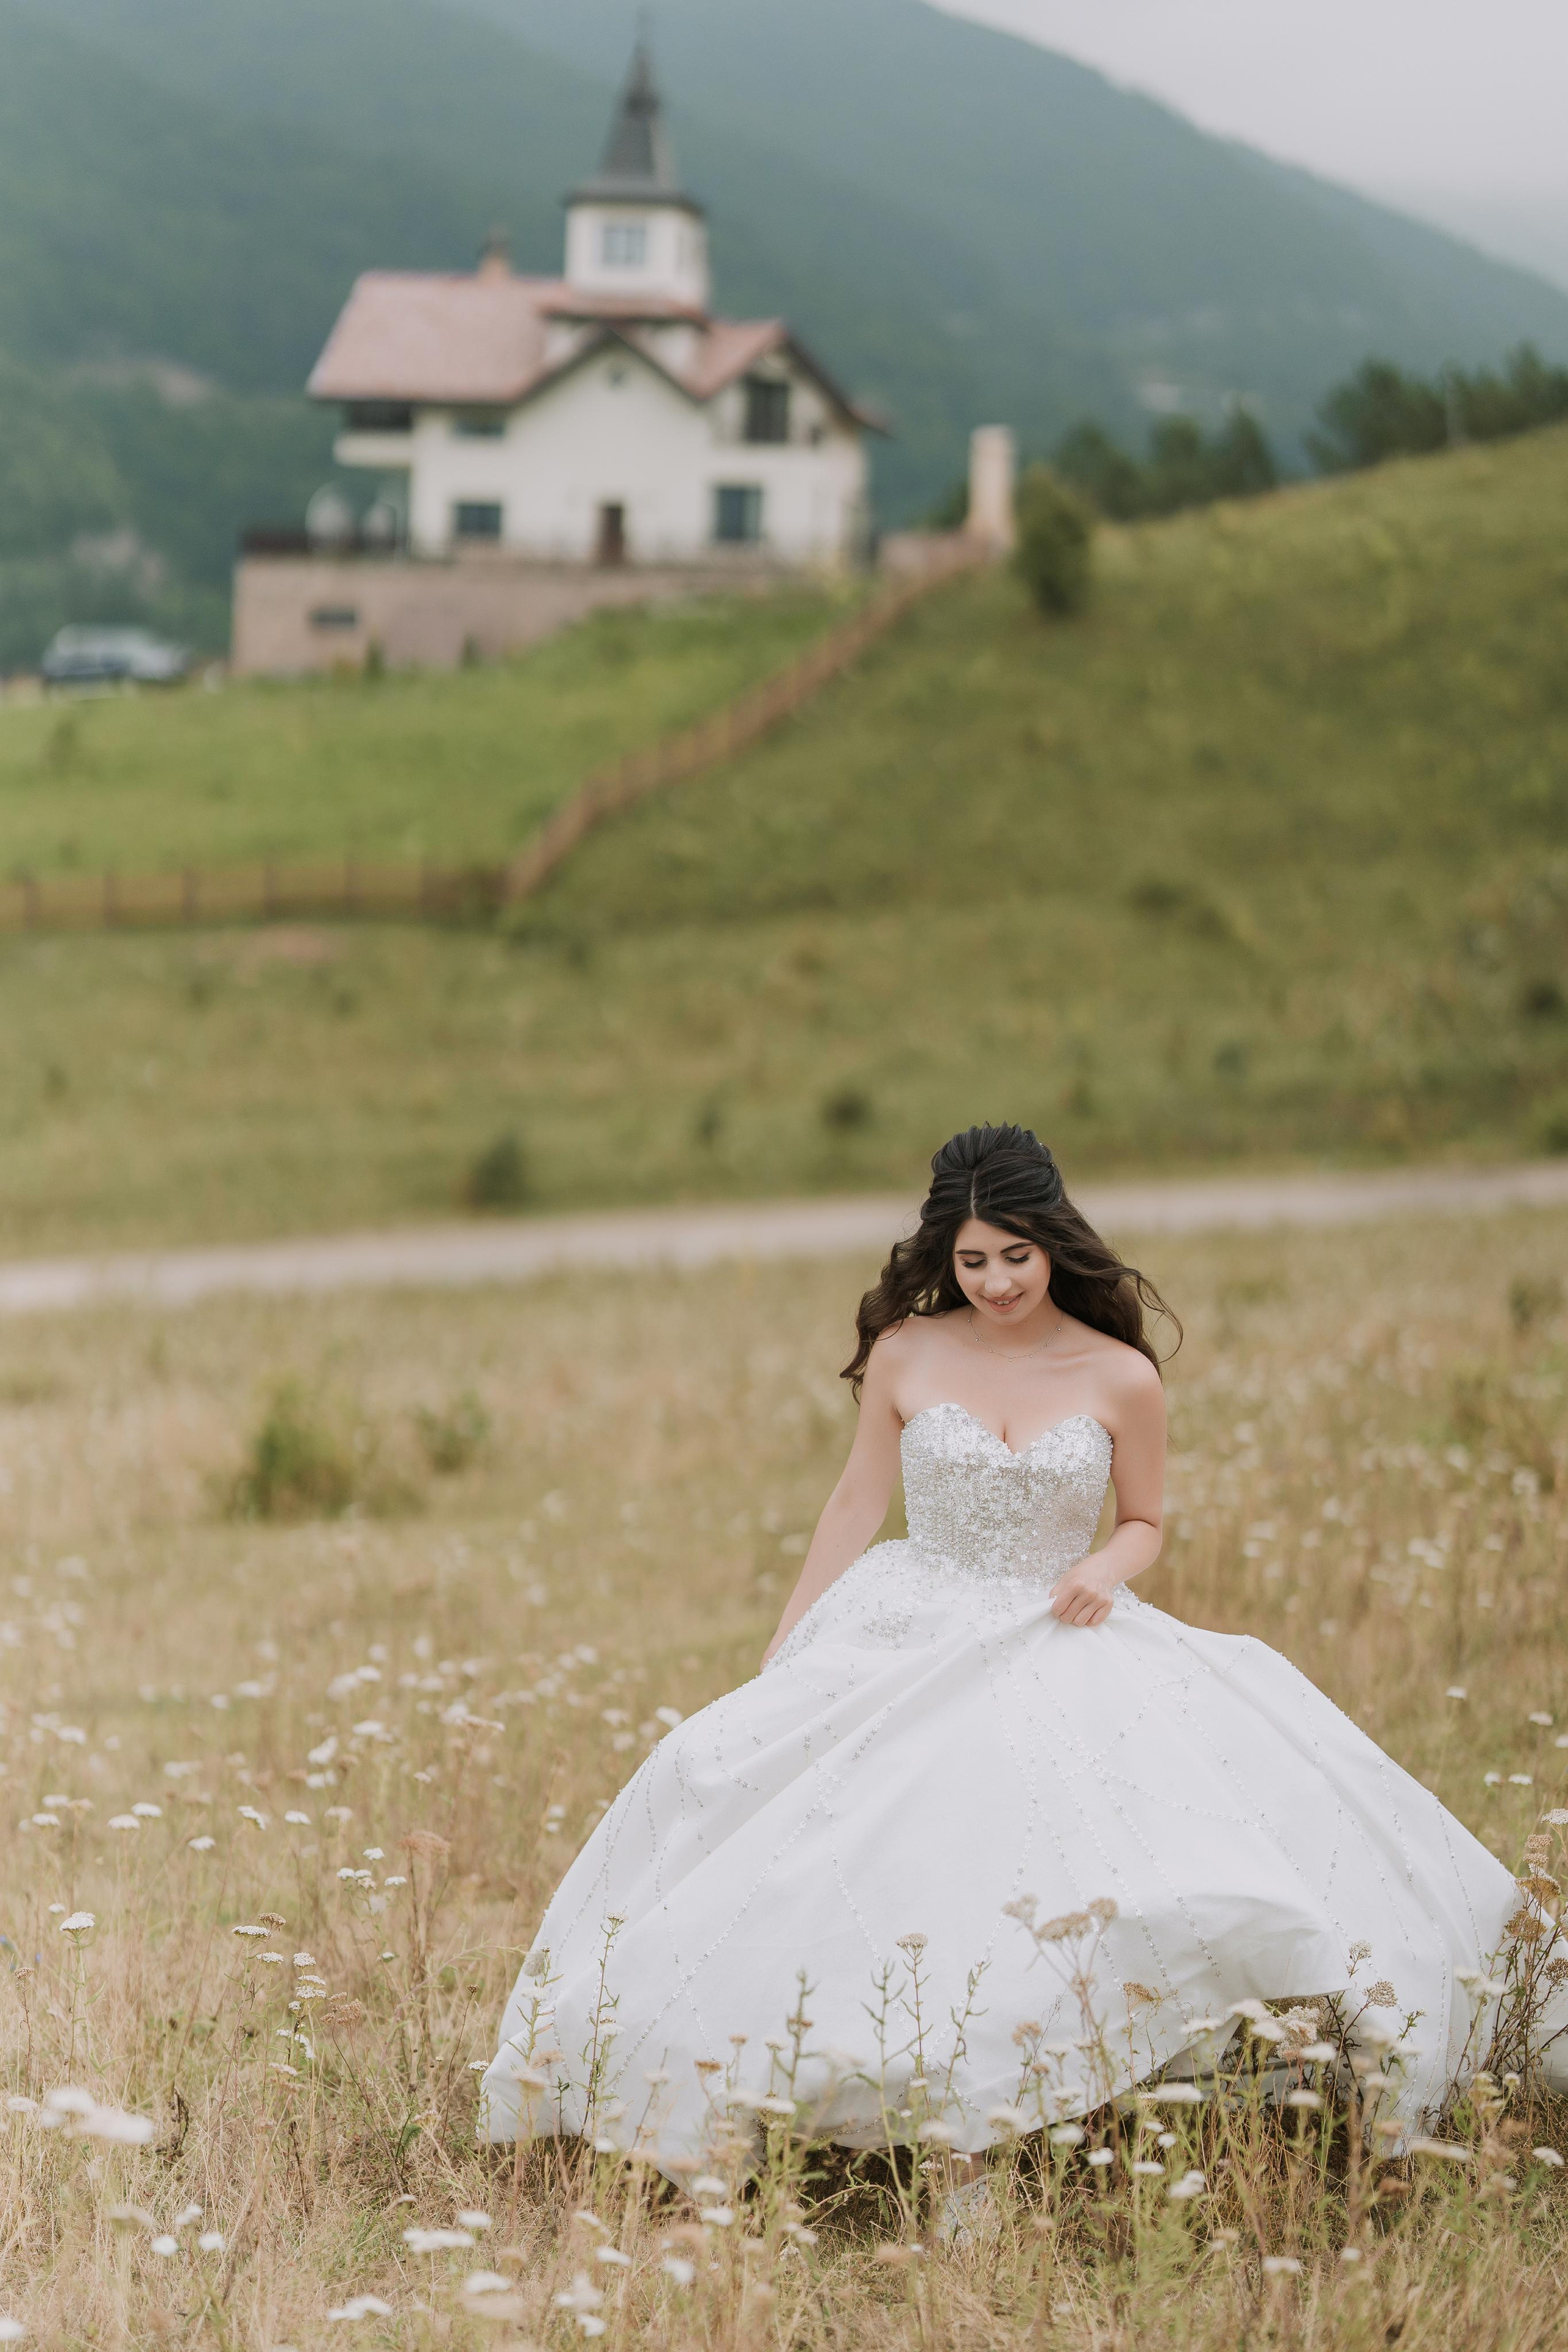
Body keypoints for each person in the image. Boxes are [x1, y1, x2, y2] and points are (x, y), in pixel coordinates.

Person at [481, 1123, 1547, 2176]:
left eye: (1017, 1257)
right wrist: (790, 1645)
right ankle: (835, 2078)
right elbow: (857, 1503)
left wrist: (1103, 1570)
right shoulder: (908, 1351)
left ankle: (1094, 2080)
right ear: (945, 1257)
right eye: (973, 1261)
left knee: (1110, 1839)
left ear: (1056, 1244)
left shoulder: (1120, 1373)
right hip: (913, 1616)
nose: (996, 1282)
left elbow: (1146, 1521)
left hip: (1060, 1623)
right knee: (791, 1811)